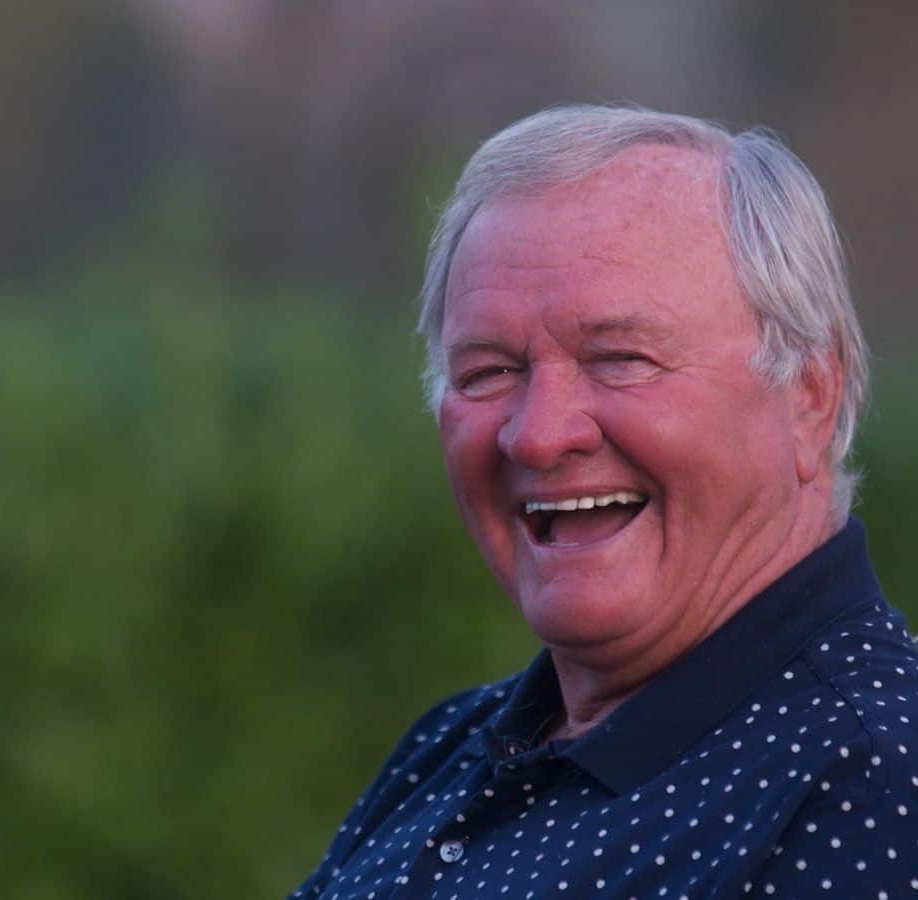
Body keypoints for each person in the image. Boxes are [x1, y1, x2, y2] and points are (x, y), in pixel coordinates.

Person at [291, 106, 918, 899]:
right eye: (488, 372)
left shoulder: (876, 793)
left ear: (809, 396)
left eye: (621, 358)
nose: (538, 435)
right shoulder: (445, 748)